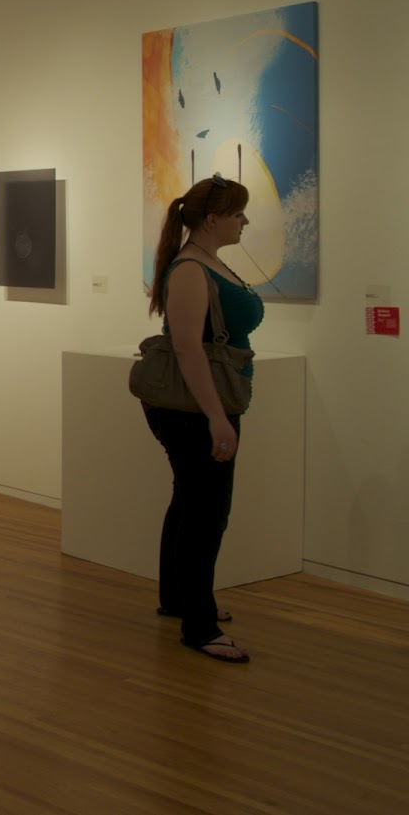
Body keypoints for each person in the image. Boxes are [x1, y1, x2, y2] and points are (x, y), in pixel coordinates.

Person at [143, 173, 265, 663]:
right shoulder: (191, 269)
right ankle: (199, 625)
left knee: (190, 503)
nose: (244, 221)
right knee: (207, 513)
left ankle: (179, 598)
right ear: (212, 219)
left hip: (206, 404)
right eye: (237, 214)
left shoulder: (206, 261)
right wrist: (217, 417)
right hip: (195, 408)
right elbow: (187, 348)